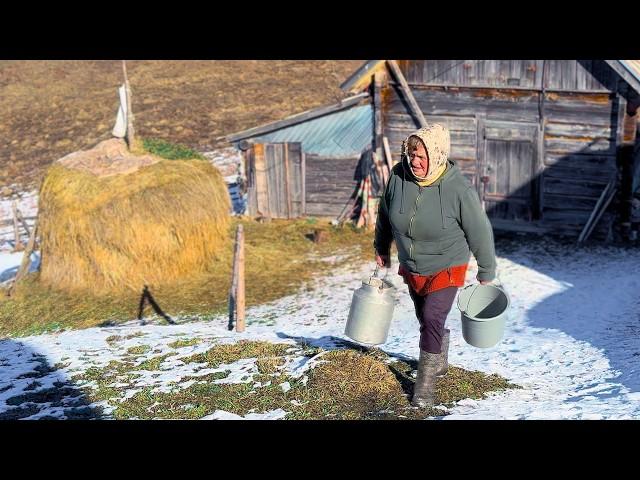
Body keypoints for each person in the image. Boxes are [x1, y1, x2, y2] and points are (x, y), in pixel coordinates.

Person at [374, 123, 497, 407]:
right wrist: (381, 246)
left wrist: (486, 270)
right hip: (413, 264)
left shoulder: (457, 188)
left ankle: (425, 388)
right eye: (411, 155)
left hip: (447, 263)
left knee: (431, 317)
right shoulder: (398, 176)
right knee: (425, 319)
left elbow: (479, 229)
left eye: (421, 157)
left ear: (437, 155)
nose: (414, 162)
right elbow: (384, 214)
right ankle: (438, 357)